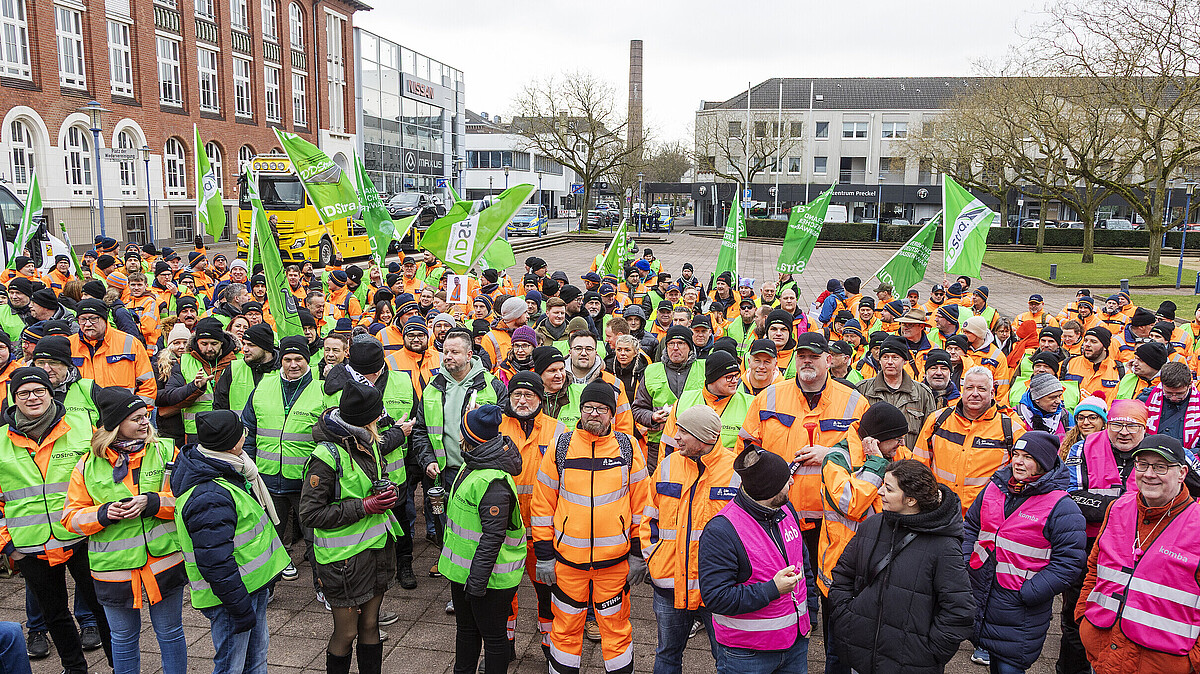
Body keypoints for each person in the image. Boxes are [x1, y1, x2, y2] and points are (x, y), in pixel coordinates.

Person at [62, 386, 187, 674]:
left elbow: (187, 499)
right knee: (122, 638)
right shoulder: (87, 465)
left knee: (170, 632)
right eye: (136, 418)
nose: (145, 422)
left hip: (164, 561)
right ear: (116, 424)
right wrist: (102, 514)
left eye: (146, 416)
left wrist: (154, 502)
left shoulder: (166, 451)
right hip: (114, 569)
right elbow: (70, 518)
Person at [0, 367, 114, 674]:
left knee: (102, 608)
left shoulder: (81, 427)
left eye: (39, 390)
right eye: (24, 393)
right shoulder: (0, 441)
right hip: (29, 546)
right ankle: (74, 668)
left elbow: (102, 478)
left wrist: (99, 521)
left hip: (82, 536)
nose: (32, 397)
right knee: (54, 614)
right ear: (14, 398)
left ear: (51, 393)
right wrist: (8, 546)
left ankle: (119, 665)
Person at [531, 380, 648, 674]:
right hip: (568, 563)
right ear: (580, 410)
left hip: (615, 564)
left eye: (601, 409)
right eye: (588, 408)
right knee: (565, 629)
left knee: (616, 630)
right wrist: (544, 555)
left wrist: (638, 555)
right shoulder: (560, 446)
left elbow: (642, 506)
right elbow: (543, 505)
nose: (593, 414)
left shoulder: (628, 447)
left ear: (612, 414)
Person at [828, 459, 974, 674]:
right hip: (860, 657)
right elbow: (843, 575)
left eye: (888, 489)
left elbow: (959, 609)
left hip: (911, 666)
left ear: (911, 500)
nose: (879, 492)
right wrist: (846, 617)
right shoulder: (871, 525)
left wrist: (931, 652)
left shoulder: (944, 545)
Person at [171, 409, 289, 674]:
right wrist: (239, 607)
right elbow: (215, 561)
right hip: (232, 598)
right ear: (232, 442)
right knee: (232, 666)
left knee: (255, 659)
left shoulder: (226, 468)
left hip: (248, 587)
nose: (246, 436)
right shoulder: (210, 495)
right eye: (242, 431)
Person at [300, 383, 404, 674]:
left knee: (370, 625)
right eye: (377, 415)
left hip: (376, 550)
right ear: (365, 418)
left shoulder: (367, 441)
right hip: (343, 562)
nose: (381, 419)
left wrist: (388, 491)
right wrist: (365, 506)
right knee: (346, 632)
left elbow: (372, 480)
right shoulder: (326, 457)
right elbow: (309, 514)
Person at [963, 431, 1086, 674]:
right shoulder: (995, 487)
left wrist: (1031, 592)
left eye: (1028, 457)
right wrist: (967, 561)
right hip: (984, 593)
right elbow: (971, 526)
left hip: (1020, 606)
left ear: (1044, 462)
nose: (1018, 462)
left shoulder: (1062, 507)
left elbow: (1069, 563)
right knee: (993, 660)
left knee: (1009, 666)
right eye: (1016, 454)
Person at [1075, 434, 1200, 673]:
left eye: (1161, 467)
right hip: (1103, 651)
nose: (1149, 474)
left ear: (1182, 473)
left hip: (1161, 665)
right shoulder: (1118, 508)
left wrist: (1192, 663)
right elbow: (1094, 570)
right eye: (1142, 465)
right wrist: (1084, 618)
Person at [698, 446, 817, 674]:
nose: (792, 482)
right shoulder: (721, 531)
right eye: (785, 480)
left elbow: (804, 567)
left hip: (795, 644)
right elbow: (716, 597)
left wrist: (810, 617)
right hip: (747, 654)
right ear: (769, 490)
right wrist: (773, 589)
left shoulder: (786, 510)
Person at [817, 401, 913, 673]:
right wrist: (876, 465)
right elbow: (851, 504)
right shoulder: (837, 458)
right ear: (877, 440)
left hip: (882, 566)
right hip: (844, 572)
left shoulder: (898, 453)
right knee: (840, 651)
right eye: (897, 438)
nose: (902, 443)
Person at [641, 406, 735, 674]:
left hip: (716, 587)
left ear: (706, 438)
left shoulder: (735, 472)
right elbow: (650, 517)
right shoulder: (668, 465)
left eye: (684, 432)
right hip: (669, 582)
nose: (676, 436)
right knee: (667, 654)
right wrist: (653, 557)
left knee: (726, 658)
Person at [411, 328, 508, 586]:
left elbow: (506, 429)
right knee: (444, 521)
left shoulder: (492, 386)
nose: (448, 357)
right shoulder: (433, 387)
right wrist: (427, 459)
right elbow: (420, 430)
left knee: (476, 524)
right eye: (445, 352)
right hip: (444, 470)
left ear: (469, 354)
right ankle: (448, 560)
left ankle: (478, 570)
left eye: (454, 352)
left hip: (479, 471)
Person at [438, 405, 524, 674]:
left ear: (470, 438)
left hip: (489, 579)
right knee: (466, 631)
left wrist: (476, 584)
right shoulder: (473, 463)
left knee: (494, 637)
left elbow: (492, 538)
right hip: (466, 573)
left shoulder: (493, 481)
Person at [243, 335, 325, 592]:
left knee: (315, 539)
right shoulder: (264, 386)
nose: (293, 364)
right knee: (267, 538)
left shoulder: (322, 390)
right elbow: (249, 430)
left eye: (299, 359)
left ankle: (322, 588)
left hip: (306, 481)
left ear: (307, 360)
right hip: (266, 478)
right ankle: (266, 590)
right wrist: (249, 466)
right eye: (288, 359)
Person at [914, 366, 1024, 515]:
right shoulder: (937, 420)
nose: (975, 393)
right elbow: (919, 466)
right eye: (970, 388)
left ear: (992, 393)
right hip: (940, 510)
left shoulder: (1011, 429)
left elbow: (1022, 476)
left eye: (982, 389)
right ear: (962, 390)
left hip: (985, 516)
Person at [660, 350, 753, 455]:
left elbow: (752, 449)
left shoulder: (750, 403)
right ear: (713, 378)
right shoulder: (684, 400)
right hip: (686, 465)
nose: (735, 380)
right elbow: (668, 444)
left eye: (736, 375)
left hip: (730, 465)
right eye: (729, 377)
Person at [68, 298, 156, 409]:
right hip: (82, 415)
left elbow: (148, 384)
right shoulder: (68, 345)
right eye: (83, 319)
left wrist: (138, 412)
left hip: (122, 413)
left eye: (93, 319)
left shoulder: (130, 343)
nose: (88, 324)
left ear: (105, 319)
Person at [855, 336, 938, 449]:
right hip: (872, 458)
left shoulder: (922, 393)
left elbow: (930, 434)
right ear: (880, 360)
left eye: (895, 357)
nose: (889, 362)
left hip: (909, 458)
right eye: (885, 357)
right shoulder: (862, 389)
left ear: (904, 361)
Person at [1015, 372, 1072, 439]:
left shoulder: (1065, 416)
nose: (1058, 401)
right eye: (1052, 397)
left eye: (1059, 396)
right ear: (1037, 398)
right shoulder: (1016, 416)